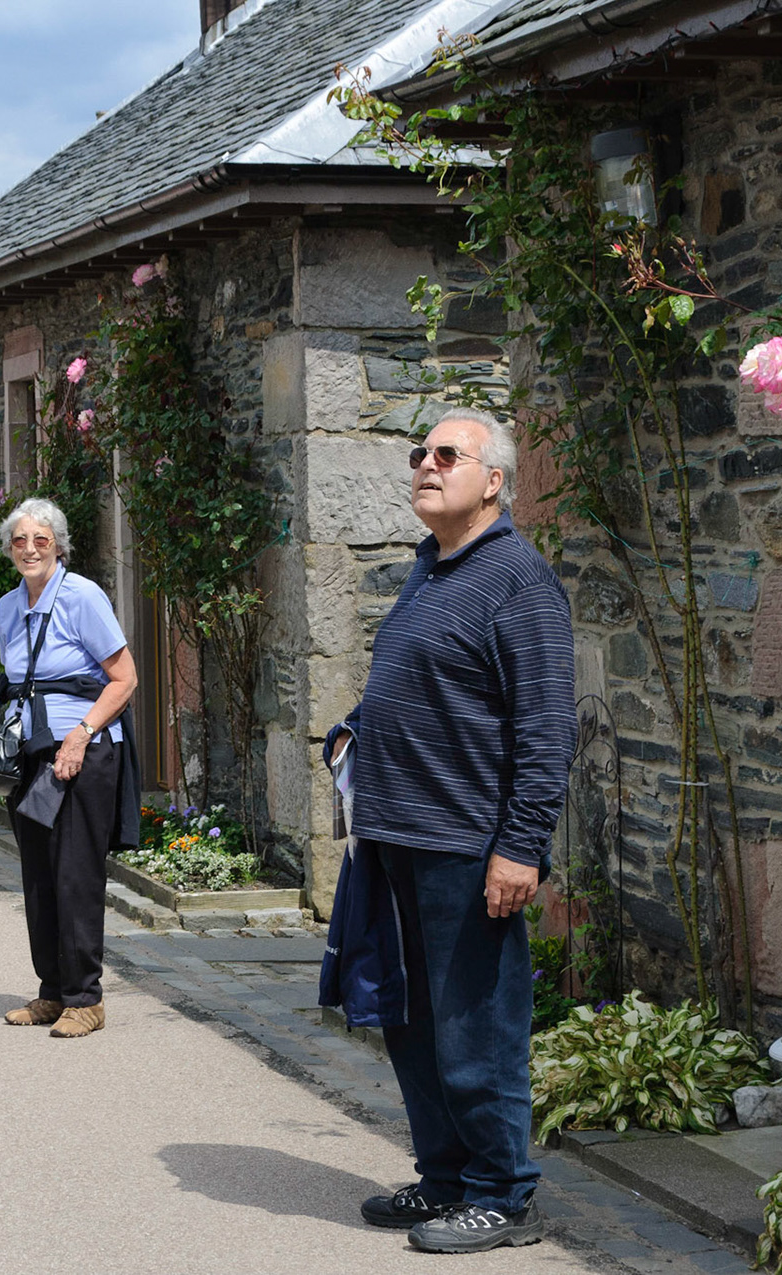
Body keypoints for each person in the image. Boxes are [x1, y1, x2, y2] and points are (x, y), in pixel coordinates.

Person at [329, 412, 575, 1254]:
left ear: (494, 480)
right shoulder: (430, 569)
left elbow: (545, 730)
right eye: (418, 455)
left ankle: (503, 1196)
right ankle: (444, 1178)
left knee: (477, 1022)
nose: (425, 467)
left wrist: (522, 846)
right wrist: (358, 726)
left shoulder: (519, 579)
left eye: (446, 455)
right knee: (412, 1020)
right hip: (395, 837)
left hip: (467, 844)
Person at [0, 497, 139, 1040]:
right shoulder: (9, 606)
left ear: (59, 545)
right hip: (31, 750)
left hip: (82, 749)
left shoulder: (82, 597)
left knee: (76, 872)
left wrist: (80, 736)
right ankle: (52, 991)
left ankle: (86, 998)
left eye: (41, 540)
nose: (30, 549)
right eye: (20, 540)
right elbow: (16, 682)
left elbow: (124, 679)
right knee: (38, 874)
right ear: (10, 548)